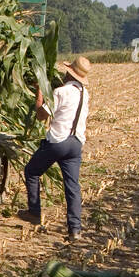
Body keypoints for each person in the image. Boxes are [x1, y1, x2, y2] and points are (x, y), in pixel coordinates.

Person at [17, 55, 91, 241]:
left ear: (70, 73)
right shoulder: (84, 93)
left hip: (58, 142)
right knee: (72, 186)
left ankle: (34, 213)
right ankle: (75, 229)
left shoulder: (62, 92)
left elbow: (42, 115)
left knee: (32, 171)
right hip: (76, 144)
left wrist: (40, 91)